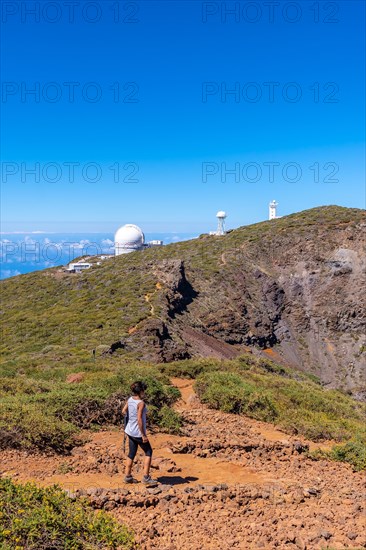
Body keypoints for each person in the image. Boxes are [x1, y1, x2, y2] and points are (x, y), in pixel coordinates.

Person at [122, 381, 158, 487]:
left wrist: (129, 418)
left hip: (129, 431)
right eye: (143, 391)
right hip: (137, 433)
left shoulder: (130, 399)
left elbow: (123, 411)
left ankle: (128, 477)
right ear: (141, 391)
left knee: (132, 453)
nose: (144, 393)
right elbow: (139, 419)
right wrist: (143, 435)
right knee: (149, 451)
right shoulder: (141, 403)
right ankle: (146, 478)